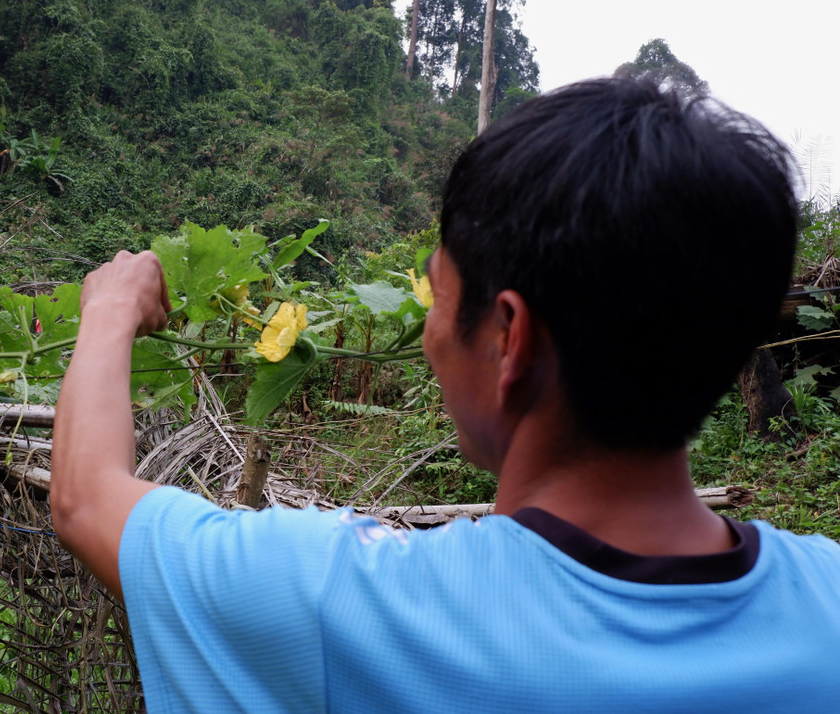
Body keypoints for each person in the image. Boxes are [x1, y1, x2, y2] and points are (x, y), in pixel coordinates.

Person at [49, 77, 840, 712]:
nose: (429, 333)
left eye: (436, 292)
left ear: (510, 339)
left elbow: (87, 498)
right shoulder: (828, 600)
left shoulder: (342, 602)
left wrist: (112, 308)